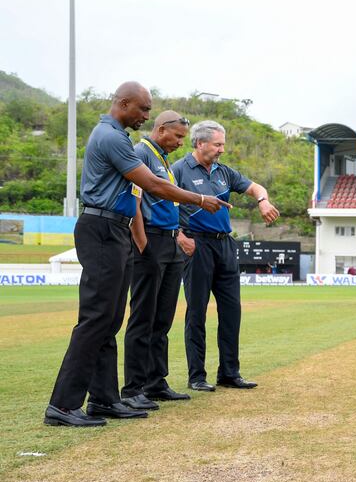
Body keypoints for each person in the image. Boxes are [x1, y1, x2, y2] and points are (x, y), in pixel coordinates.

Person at [44, 82, 229, 427]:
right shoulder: (112, 137)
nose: (146, 115)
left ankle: (104, 399)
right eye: (143, 109)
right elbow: (153, 186)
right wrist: (200, 199)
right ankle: (64, 405)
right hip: (102, 228)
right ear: (124, 104)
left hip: (114, 229)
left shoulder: (117, 137)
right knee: (97, 318)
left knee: (110, 318)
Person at [173, 120, 280, 392]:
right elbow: (160, 203)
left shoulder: (224, 172)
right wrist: (179, 236)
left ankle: (230, 373)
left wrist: (263, 200)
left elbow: (255, 187)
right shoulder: (178, 170)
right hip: (197, 246)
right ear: (200, 143)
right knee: (196, 312)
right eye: (217, 144)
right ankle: (197, 376)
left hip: (225, 245)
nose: (222, 149)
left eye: (223, 144)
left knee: (232, 311)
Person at [121, 111, 193, 411]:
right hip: (150, 240)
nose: (179, 143)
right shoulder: (142, 154)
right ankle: (132, 388)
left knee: (162, 318)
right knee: (142, 316)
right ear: (161, 129)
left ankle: (155, 380)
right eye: (177, 136)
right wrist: (142, 244)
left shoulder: (163, 158)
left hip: (170, 241)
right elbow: (134, 203)